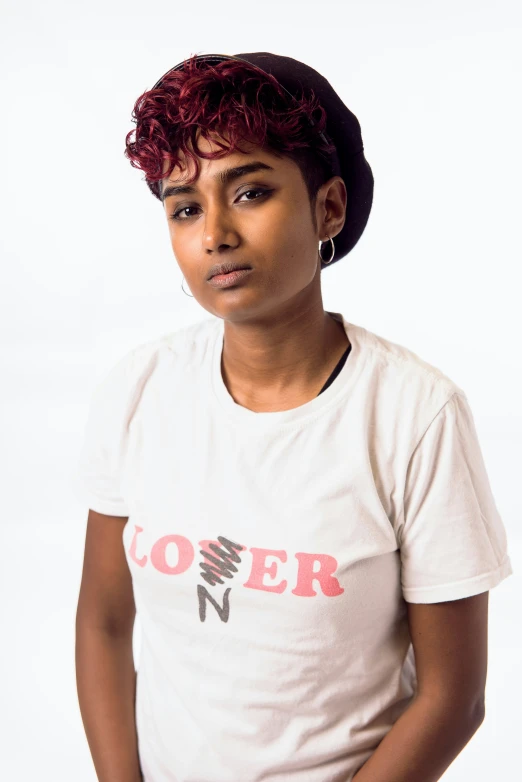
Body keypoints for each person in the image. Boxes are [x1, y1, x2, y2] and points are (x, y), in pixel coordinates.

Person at [74, 52, 513, 782]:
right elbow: (104, 622)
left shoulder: (413, 415)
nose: (214, 232)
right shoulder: (140, 390)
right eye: (185, 207)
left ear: (328, 209)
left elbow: (452, 698)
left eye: (249, 192)